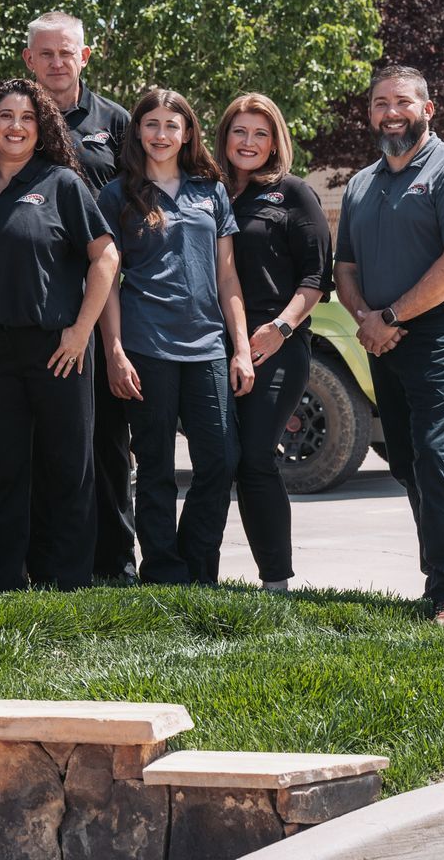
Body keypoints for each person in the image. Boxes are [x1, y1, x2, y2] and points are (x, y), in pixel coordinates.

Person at [334, 65, 444, 626]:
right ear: (370, 113)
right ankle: (437, 579)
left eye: (403, 101)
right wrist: (367, 319)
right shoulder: (360, 184)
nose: (390, 111)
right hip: (382, 333)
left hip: (440, 330)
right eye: (380, 103)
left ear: (428, 109)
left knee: (434, 451)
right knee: (403, 457)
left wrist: (392, 315)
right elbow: (345, 267)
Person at [0, 78, 119, 591]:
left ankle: (68, 581)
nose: (16, 126)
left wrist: (80, 332)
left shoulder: (62, 183)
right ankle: (10, 581)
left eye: (27, 118)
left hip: (60, 348)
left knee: (67, 468)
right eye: (5, 116)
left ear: (42, 127)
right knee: (7, 469)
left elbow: (107, 257)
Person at [98, 90, 254, 586]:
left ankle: (197, 565)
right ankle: (164, 573)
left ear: (187, 132)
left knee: (221, 459)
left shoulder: (211, 190)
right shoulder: (117, 194)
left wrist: (242, 348)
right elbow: (107, 282)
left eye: (171, 125)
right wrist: (115, 351)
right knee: (157, 465)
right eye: (151, 124)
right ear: (137, 131)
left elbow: (228, 278)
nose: (160, 134)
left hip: (208, 344)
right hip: (147, 346)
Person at [21, 9, 138, 581]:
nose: (57, 62)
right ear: (29, 60)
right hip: (39, 302)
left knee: (109, 440)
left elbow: (140, 206)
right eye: (46, 53)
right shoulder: (17, 121)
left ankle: (115, 562)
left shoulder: (115, 122)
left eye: (66, 52)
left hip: (105, 299)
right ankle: (50, 562)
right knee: (50, 444)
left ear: (84, 57)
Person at [216, 95, 332, 594]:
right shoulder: (209, 192)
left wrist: (281, 328)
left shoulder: (294, 194)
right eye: (240, 132)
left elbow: (316, 276)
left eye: (260, 134)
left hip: (277, 342)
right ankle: (197, 573)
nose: (249, 143)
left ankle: (276, 582)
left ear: (275, 141)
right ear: (224, 138)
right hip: (213, 340)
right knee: (219, 458)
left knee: (256, 457)